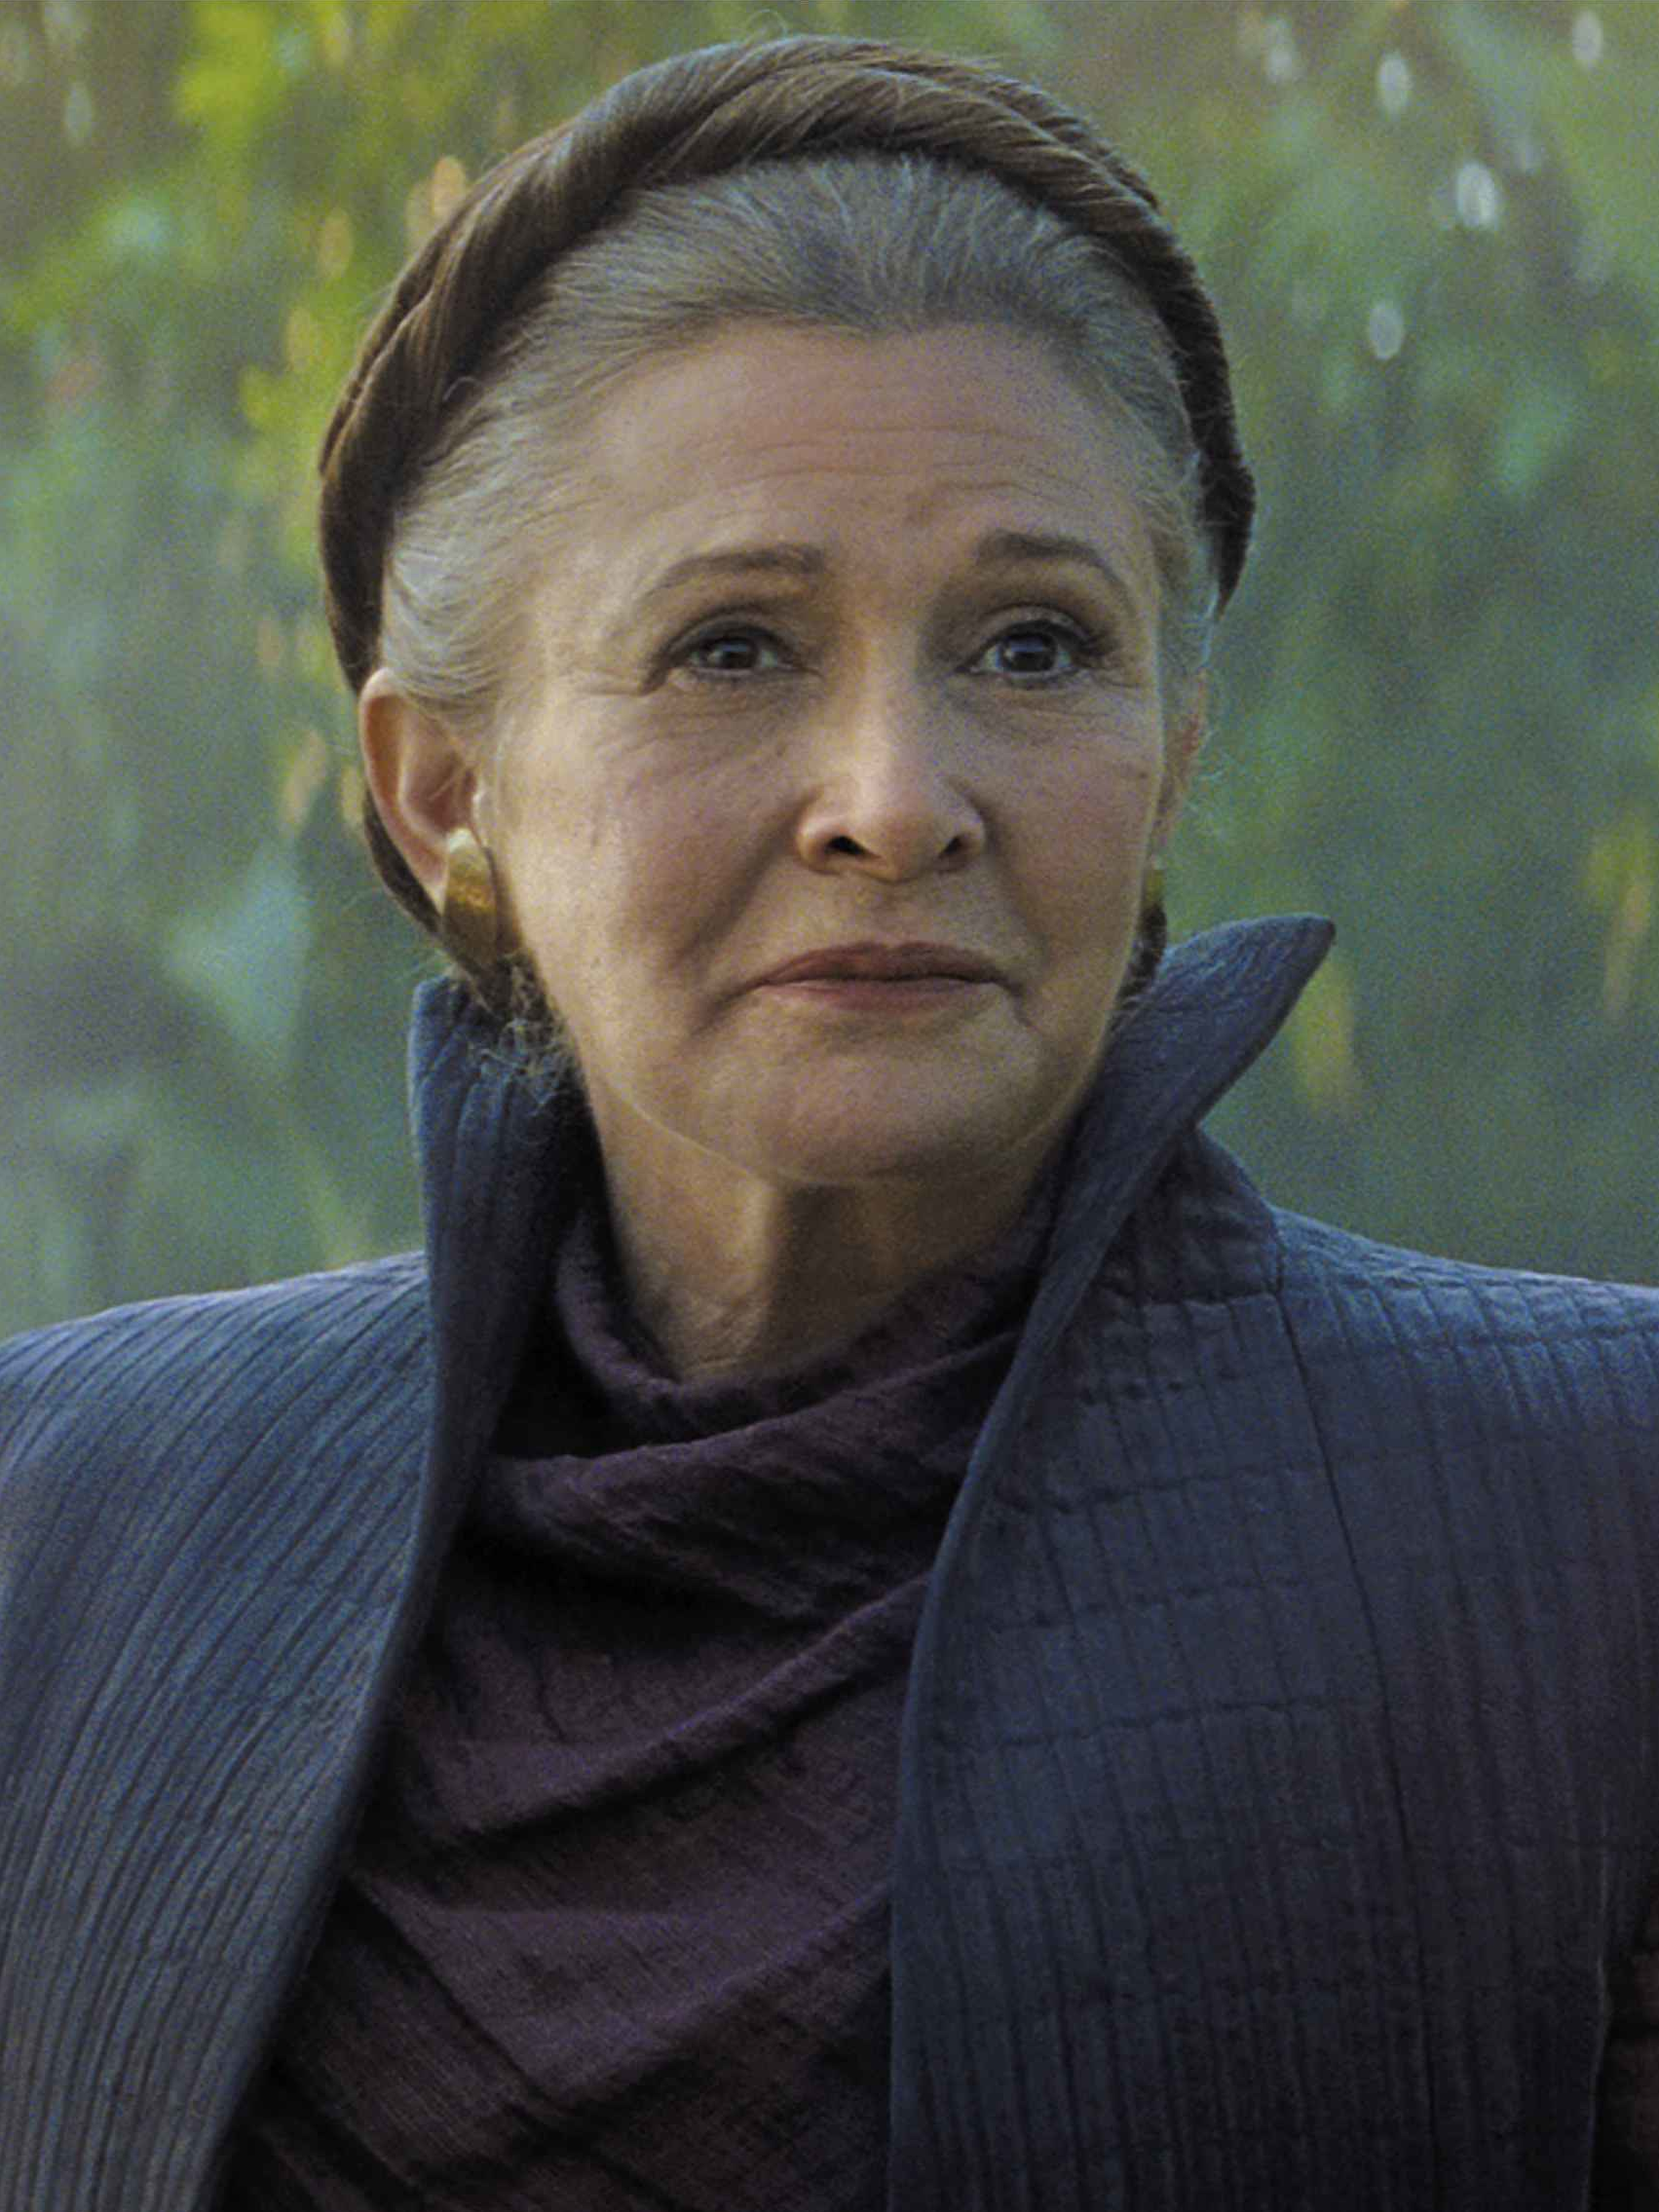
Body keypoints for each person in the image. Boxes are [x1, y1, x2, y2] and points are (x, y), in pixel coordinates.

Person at [2, 30, 1658, 2212]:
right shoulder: (69, 1523)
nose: (893, 799)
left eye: (1033, 647)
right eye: (731, 650)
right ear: (442, 788)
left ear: (1172, 749)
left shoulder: (1586, 1523)